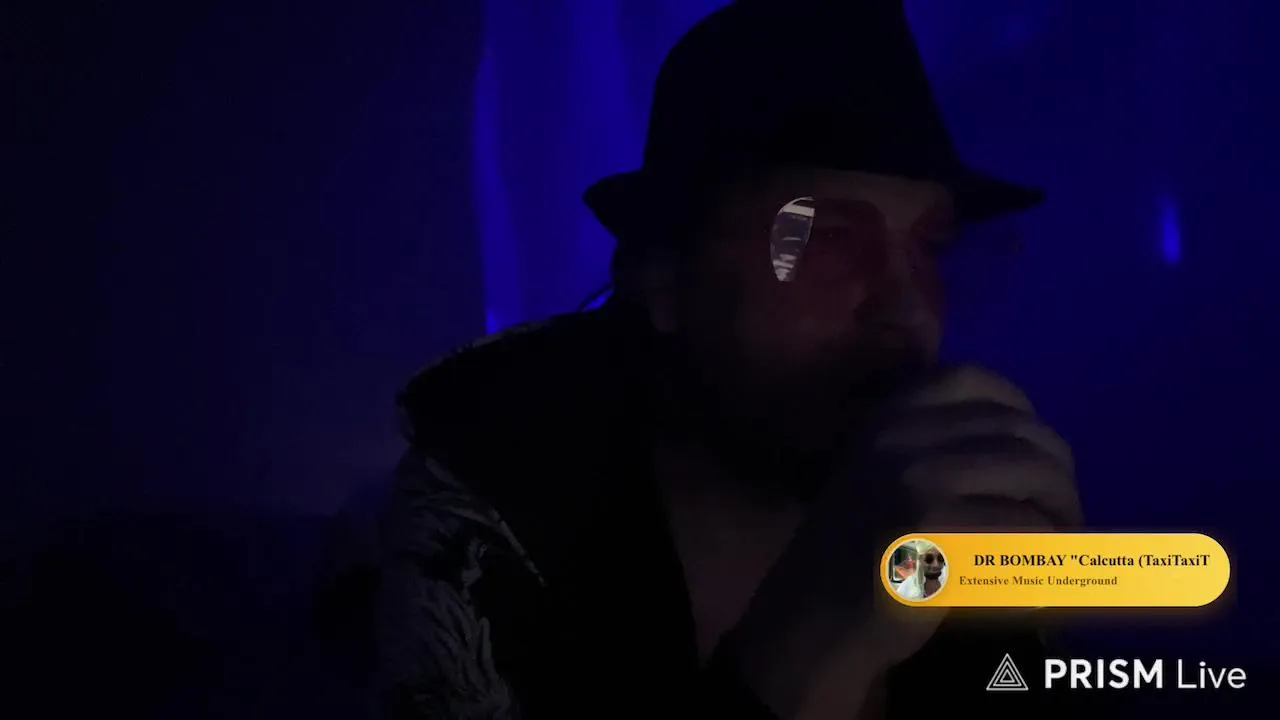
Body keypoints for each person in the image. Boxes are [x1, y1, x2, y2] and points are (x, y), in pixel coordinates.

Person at [378, 1, 1084, 718]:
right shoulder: (489, 526)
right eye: (823, 240)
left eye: (931, 246)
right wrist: (811, 645)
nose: (906, 309)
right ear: (663, 281)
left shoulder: (957, 519)